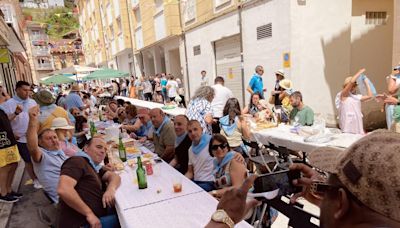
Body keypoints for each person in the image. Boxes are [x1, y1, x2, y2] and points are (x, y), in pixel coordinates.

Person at [57, 137, 121, 228]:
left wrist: (110, 189)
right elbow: (63, 189)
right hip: (83, 223)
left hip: (97, 215)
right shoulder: (77, 161)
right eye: (99, 147)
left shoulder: (93, 166)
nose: (103, 151)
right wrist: (89, 214)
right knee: (128, 219)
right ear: (86, 148)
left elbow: (115, 176)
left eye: (105, 149)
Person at [0, 81, 41, 189]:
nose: (27, 93)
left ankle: (40, 177)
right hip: (19, 138)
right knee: (28, 160)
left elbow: (37, 118)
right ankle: (35, 179)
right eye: (24, 90)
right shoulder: (7, 105)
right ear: (17, 90)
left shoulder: (32, 102)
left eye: (29, 90)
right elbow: (4, 123)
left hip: (33, 136)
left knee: (36, 158)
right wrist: (16, 113)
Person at [27, 106, 68, 203]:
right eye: (49, 139)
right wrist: (32, 121)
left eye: (55, 137)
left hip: (72, 187)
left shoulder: (58, 149)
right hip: (65, 198)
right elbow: (32, 147)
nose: (54, 140)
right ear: (40, 143)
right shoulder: (42, 155)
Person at [208, 134, 247, 198]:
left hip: (239, 200)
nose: (219, 149)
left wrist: (214, 193)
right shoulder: (216, 163)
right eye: (215, 147)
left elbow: (237, 188)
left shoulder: (235, 160)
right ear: (211, 151)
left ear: (227, 147)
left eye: (222, 146)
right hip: (224, 198)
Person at [335, 68, 372, 134]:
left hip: (357, 126)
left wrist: (366, 82)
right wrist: (359, 73)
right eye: (351, 86)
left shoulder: (356, 97)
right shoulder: (343, 95)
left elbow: (370, 96)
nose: (352, 87)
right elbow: (351, 82)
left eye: (354, 86)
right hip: (347, 127)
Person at [185, 120, 215, 191]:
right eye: (190, 131)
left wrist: (238, 155)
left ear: (201, 130)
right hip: (196, 181)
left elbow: (227, 152)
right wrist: (182, 180)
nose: (193, 133)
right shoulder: (190, 150)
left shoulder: (212, 142)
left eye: (195, 129)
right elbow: (190, 172)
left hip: (210, 182)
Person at [0, 108, 22, 203]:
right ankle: (3, 193)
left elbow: (5, 123)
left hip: (9, 140)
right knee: (5, 167)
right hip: (2, 142)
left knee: (14, 164)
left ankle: (9, 190)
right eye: (3, 94)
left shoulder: (1, 110)